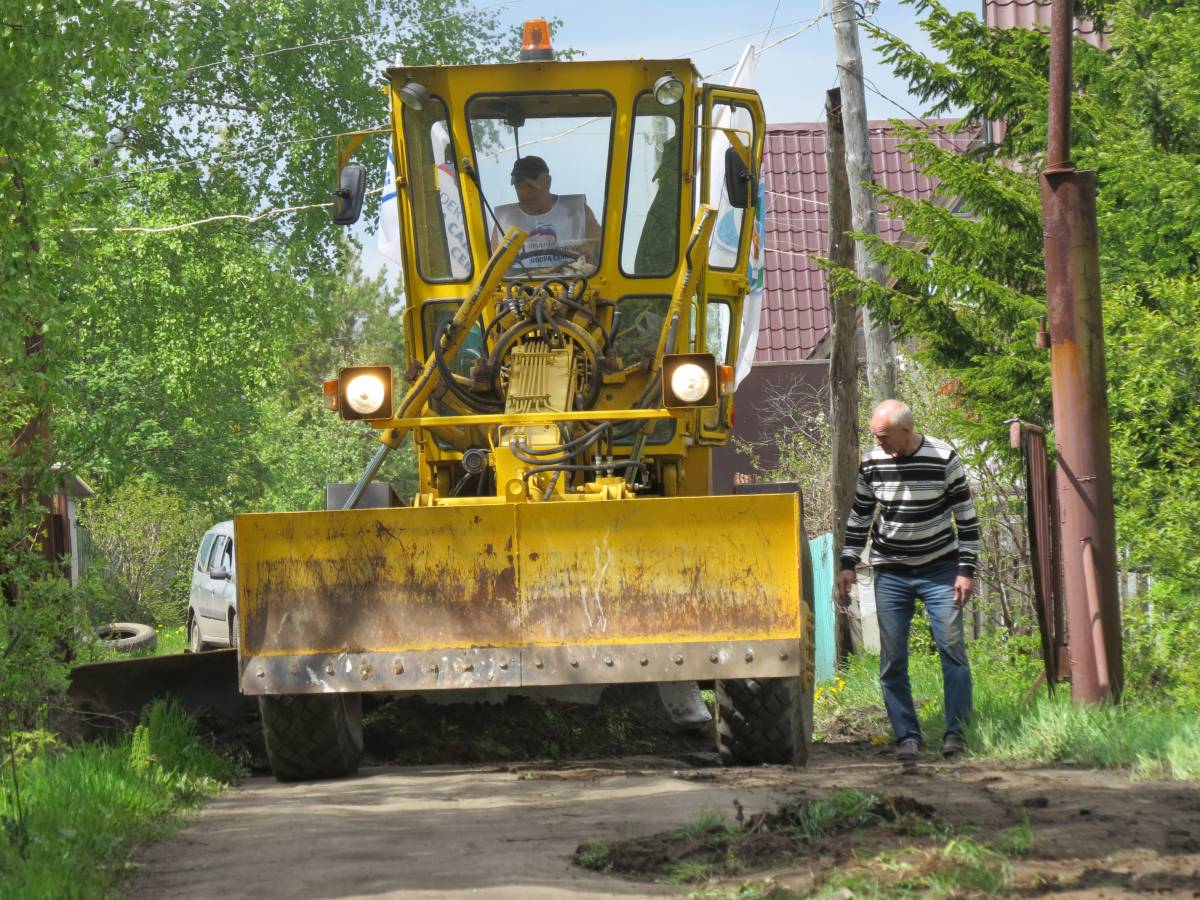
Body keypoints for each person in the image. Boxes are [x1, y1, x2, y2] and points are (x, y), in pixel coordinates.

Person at [836, 399, 980, 762]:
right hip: (891, 571)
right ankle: (907, 737)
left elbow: (966, 516)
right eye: (875, 436)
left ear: (906, 431)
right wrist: (848, 562)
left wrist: (966, 570)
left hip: (940, 569)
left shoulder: (944, 458)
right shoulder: (872, 462)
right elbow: (860, 515)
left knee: (952, 650)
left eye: (883, 436)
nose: (878, 442)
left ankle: (956, 734)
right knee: (893, 657)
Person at [492, 155, 601, 270]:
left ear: (548, 182)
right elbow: (493, 266)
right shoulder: (503, 220)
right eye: (520, 187)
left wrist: (590, 251)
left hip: (575, 283)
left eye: (531, 186)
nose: (525, 194)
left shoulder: (578, 211)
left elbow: (602, 249)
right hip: (518, 286)